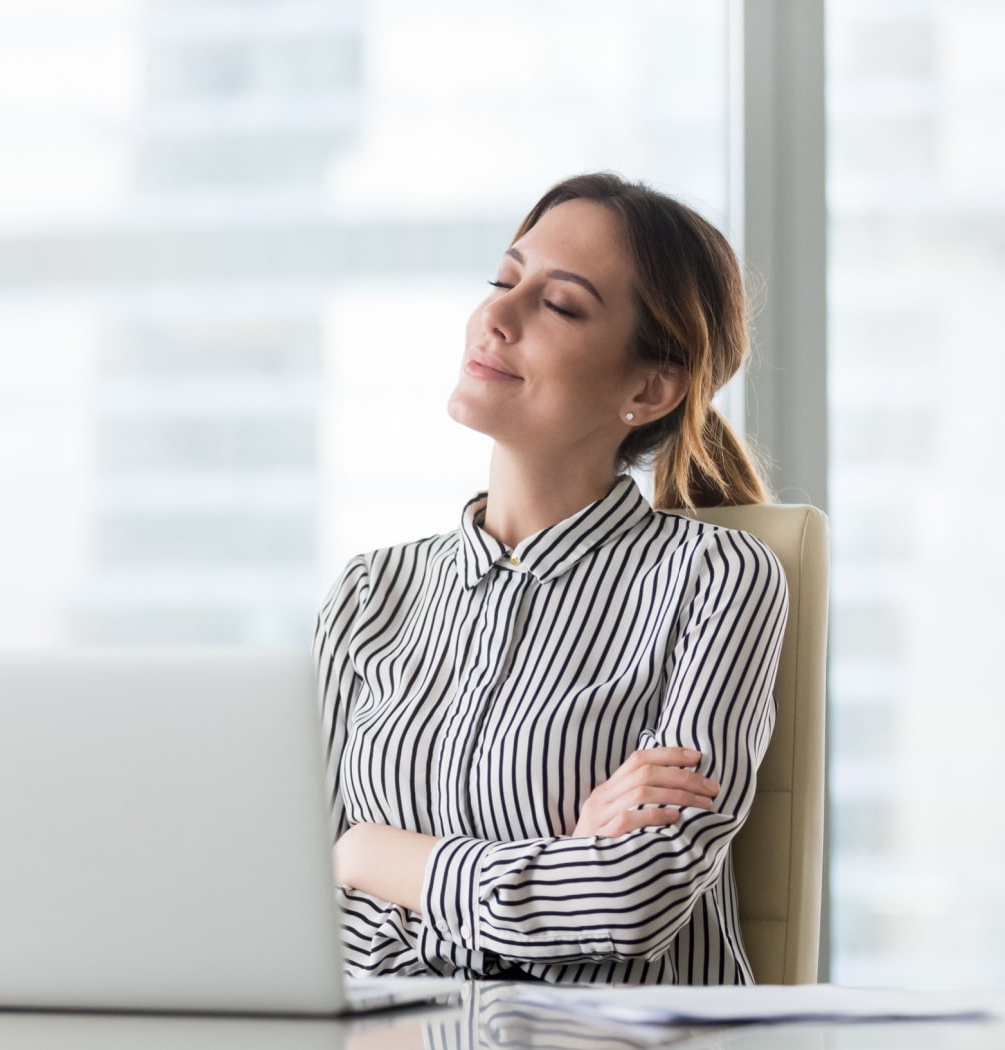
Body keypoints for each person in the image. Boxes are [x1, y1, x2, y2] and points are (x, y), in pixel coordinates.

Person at [315, 172, 790, 985]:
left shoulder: (717, 578)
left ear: (648, 388)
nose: (497, 316)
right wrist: (560, 861)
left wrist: (370, 854)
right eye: (504, 281)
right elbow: (299, 900)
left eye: (559, 305)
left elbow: (631, 904)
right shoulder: (372, 593)